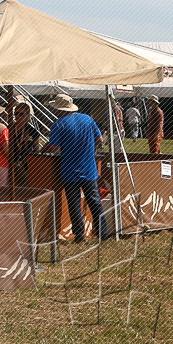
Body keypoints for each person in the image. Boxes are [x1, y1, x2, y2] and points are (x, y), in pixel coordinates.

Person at [44, 93, 109, 242]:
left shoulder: (59, 124)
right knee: (95, 201)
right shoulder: (87, 119)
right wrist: (88, 148)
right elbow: (99, 139)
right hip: (89, 168)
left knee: (73, 203)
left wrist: (46, 146)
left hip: (69, 169)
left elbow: (53, 147)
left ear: (60, 109)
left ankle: (79, 235)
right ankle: (103, 234)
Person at [8, 99, 40, 187]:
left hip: (26, 166)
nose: (18, 116)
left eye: (21, 114)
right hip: (11, 164)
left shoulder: (32, 131)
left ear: (28, 115)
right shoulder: (9, 129)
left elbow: (36, 150)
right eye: (16, 113)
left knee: (24, 189)